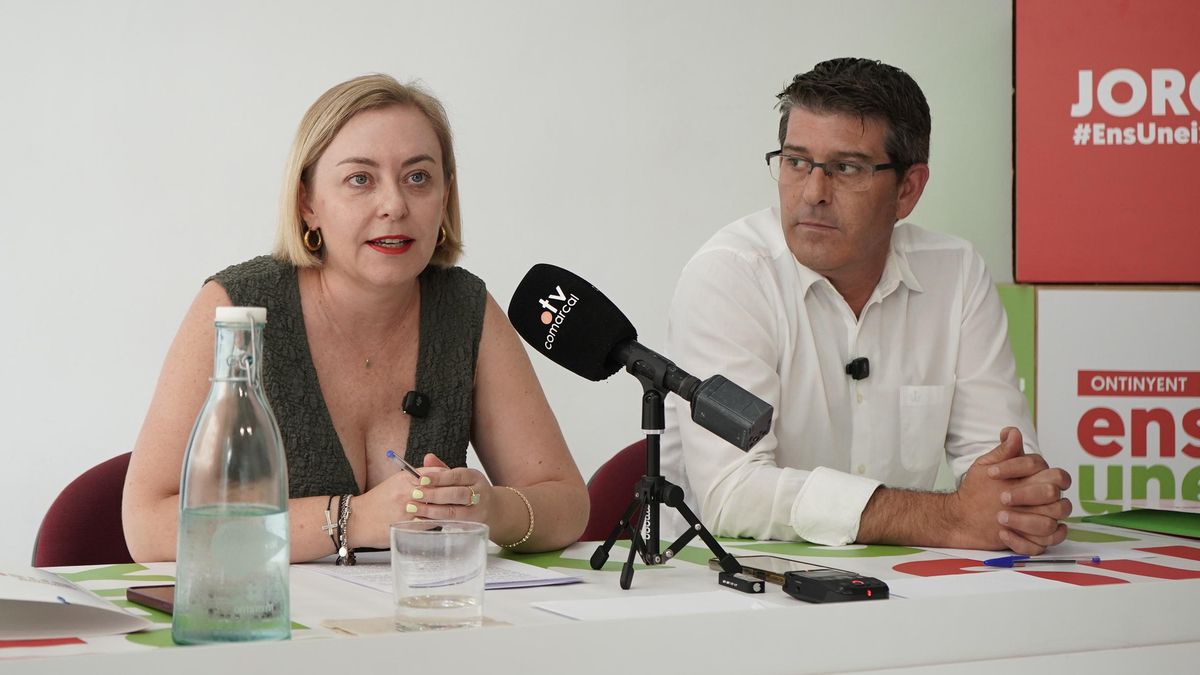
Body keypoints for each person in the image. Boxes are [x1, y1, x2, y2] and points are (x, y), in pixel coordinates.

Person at [124, 74, 589, 562]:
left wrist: (492, 509)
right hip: (272, 625)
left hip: (421, 623)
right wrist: (351, 519)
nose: (394, 205)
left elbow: (566, 502)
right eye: (360, 179)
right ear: (308, 203)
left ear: (445, 196)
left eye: (418, 177)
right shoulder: (238, 309)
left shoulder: (464, 309)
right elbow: (148, 525)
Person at [660, 58, 1071, 555]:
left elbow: (1002, 472)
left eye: (846, 168)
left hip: (896, 583)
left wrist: (1017, 504)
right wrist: (947, 519)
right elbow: (732, 494)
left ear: (908, 189)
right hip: (726, 582)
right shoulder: (731, 275)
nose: (812, 193)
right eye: (795, 162)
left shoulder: (955, 272)